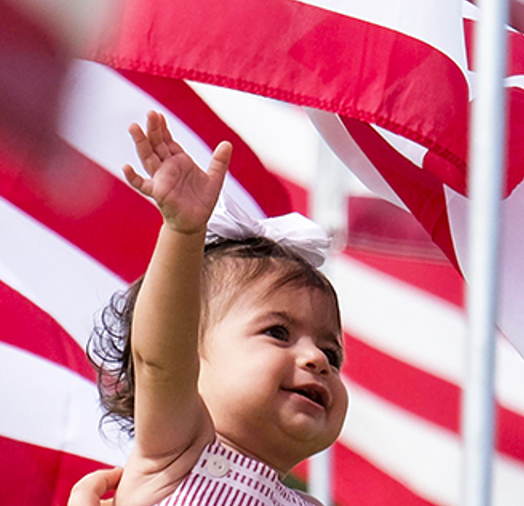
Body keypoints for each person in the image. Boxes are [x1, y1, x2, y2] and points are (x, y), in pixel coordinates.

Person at [71, 111, 347, 506]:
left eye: (332, 354)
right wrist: (183, 231)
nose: (316, 358)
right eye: (278, 332)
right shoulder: (176, 453)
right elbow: (160, 361)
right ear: (192, 356)